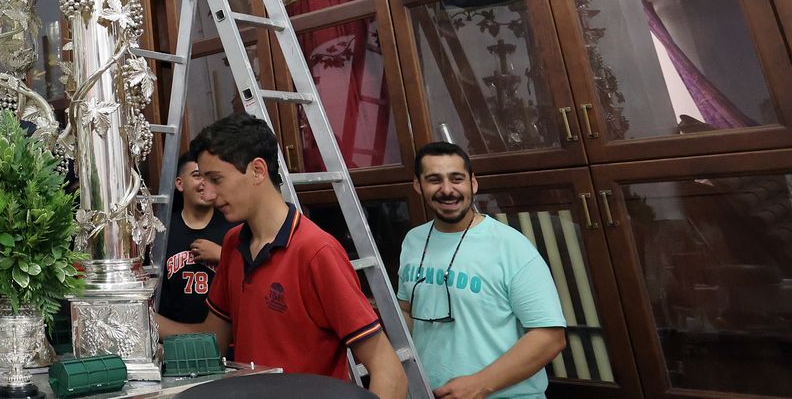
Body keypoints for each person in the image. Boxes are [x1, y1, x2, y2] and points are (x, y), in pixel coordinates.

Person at [161, 113, 407, 399]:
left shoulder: (316, 252)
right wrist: (148, 324)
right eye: (204, 180)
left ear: (257, 170)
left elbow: (390, 371)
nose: (210, 193)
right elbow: (213, 343)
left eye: (216, 179)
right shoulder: (232, 244)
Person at [398, 142, 567, 399]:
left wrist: (480, 384)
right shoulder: (413, 240)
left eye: (457, 179)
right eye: (434, 180)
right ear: (418, 185)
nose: (447, 190)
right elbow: (408, 310)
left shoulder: (511, 246)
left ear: (473, 184)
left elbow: (550, 337)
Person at [155, 150, 229, 329]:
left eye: (209, 177)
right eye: (197, 176)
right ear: (179, 184)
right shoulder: (161, 230)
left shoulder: (232, 226)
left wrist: (222, 255)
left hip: (225, 340)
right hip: (174, 341)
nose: (204, 183)